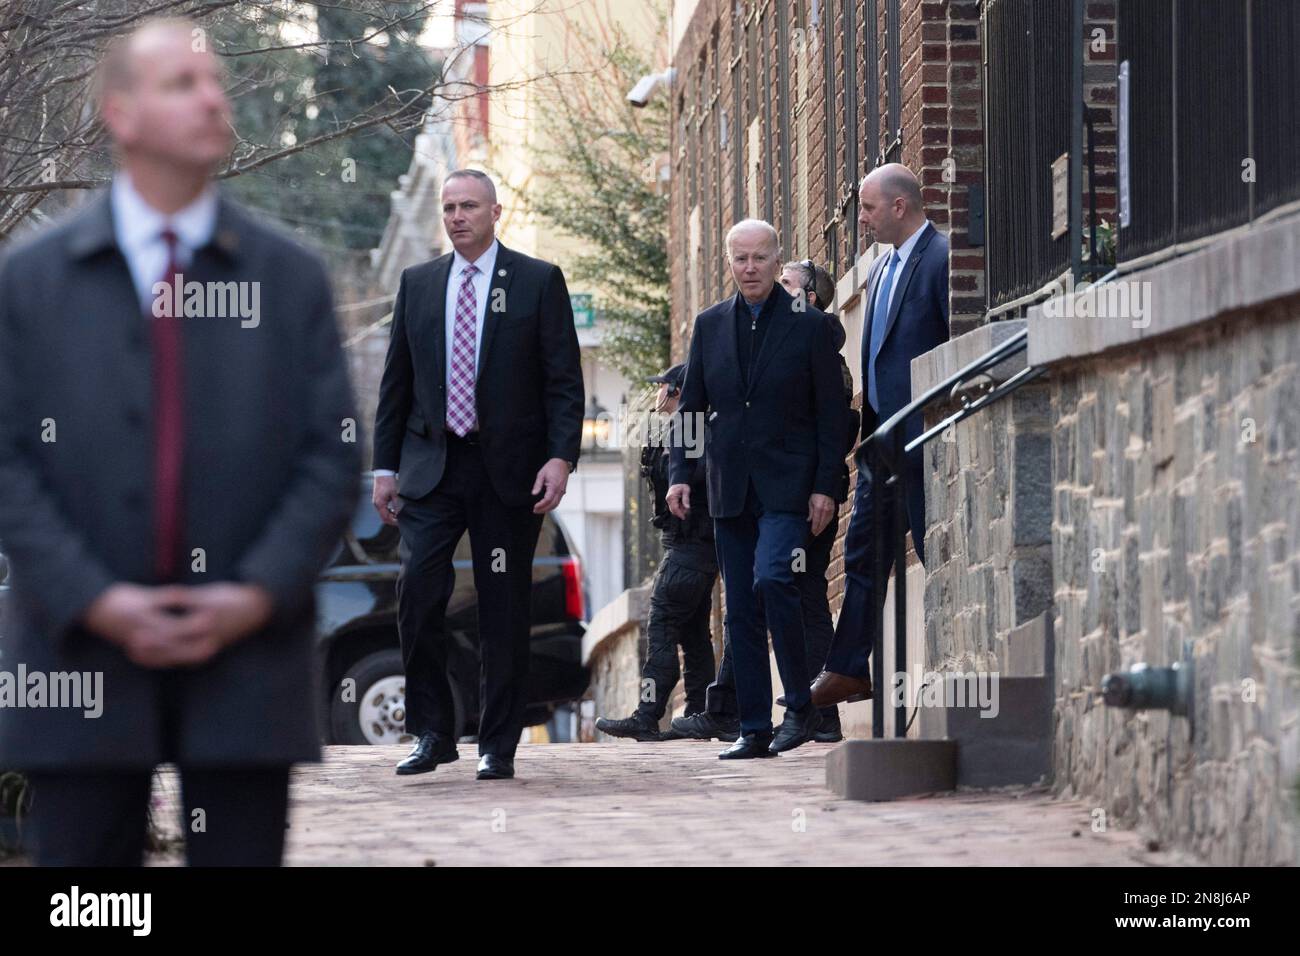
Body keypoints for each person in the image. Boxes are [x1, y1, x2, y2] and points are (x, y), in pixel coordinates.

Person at [0, 18, 361, 866]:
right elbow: (8, 461)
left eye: (216, 83)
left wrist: (251, 594)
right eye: (181, 84)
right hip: (77, 655)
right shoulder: (33, 281)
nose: (211, 98)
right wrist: (97, 599)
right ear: (120, 113)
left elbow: (329, 457)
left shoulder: (289, 278)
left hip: (248, 663)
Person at [372, 169, 584, 781]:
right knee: (418, 597)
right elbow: (396, 386)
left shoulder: (538, 282)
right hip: (432, 471)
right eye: (448, 207)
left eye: (469, 206)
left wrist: (559, 456)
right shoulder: (418, 284)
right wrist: (384, 468)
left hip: (507, 471)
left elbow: (563, 382)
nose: (457, 216)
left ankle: (498, 743)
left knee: (503, 607)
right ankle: (432, 732)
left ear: (496, 213)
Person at [667, 219, 847, 759]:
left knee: (775, 579)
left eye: (760, 258)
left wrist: (824, 486)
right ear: (729, 262)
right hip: (729, 489)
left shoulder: (809, 326)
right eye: (740, 259)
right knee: (740, 608)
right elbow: (689, 409)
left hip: (789, 488)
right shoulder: (710, 324)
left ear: (777, 261)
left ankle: (800, 706)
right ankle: (752, 727)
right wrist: (679, 473)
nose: (750, 268)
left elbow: (831, 417)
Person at [810, 164, 949, 708]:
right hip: (881, 442)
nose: (860, 218)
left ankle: (952, 661)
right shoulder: (882, 268)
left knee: (932, 546)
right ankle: (848, 669)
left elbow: (948, 340)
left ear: (899, 206)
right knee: (864, 552)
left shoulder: (938, 259)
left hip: (920, 439)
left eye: (867, 208)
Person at [595, 364, 720, 742]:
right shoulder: (684, 429)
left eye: (663, 388)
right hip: (692, 545)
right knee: (694, 631)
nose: (657, 395)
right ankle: (699, 712)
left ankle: (647, 715)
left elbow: (687, 479)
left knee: (663, 622)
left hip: (690, 545)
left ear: (676, 391)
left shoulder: (692, 432)